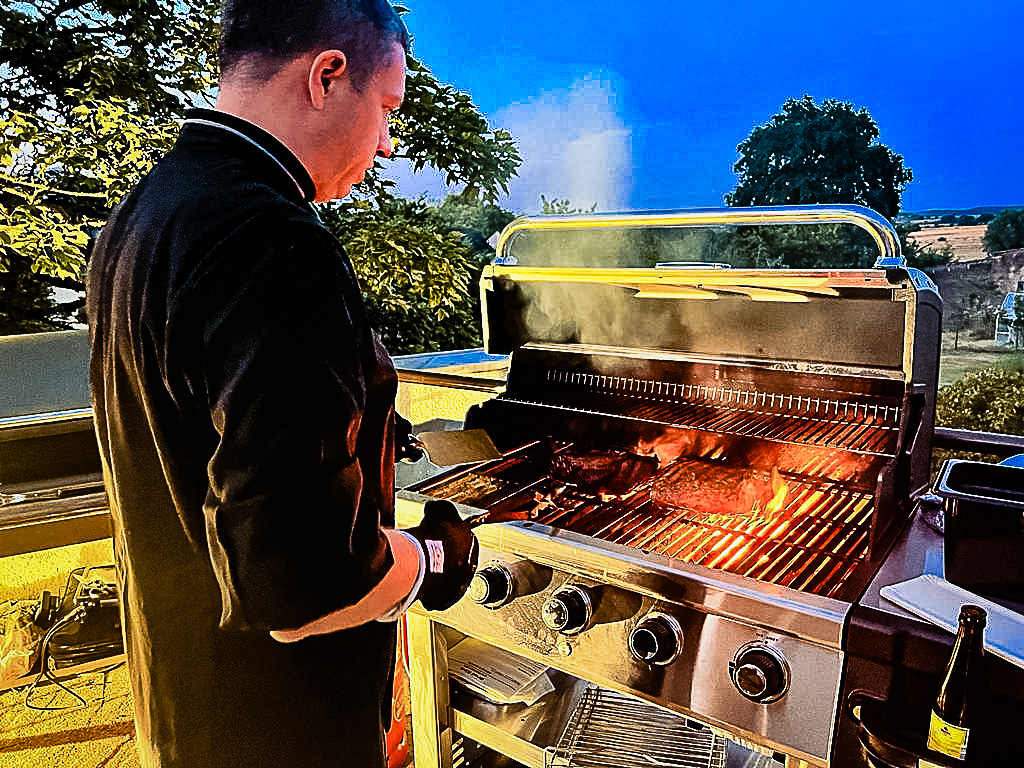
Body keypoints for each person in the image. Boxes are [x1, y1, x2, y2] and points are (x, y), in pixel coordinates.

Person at [85, 1, 478, 766]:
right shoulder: (275, 242)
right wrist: (431, 559)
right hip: (277, 726)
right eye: (387, 110)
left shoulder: (149, 211)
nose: (388, 145)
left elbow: (200, 414)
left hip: (183, 696)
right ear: (328, 75)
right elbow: (305, 588)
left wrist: (372, 428)